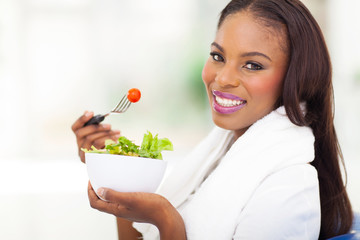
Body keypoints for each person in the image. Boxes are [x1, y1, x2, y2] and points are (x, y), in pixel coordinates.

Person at [71, 0, 353, 239]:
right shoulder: (220, 153)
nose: (223, 78)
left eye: (253, 65)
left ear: (297, 79)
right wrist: (117, 171)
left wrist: (166, 220)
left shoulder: (289, 188)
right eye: (218, 56)